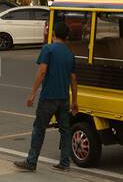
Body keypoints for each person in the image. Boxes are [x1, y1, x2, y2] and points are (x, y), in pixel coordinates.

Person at [15, 19, 78, 172]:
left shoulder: (48, 49)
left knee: (39, 129)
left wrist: (32, 93)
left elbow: (42, 71)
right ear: (67, 37)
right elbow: (73, 79)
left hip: (48, 97)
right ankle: (64, 162)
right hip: (64, 98)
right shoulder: (70, 54)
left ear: (54, 33)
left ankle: (31, 161)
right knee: (65, 130)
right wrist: (75, 101)